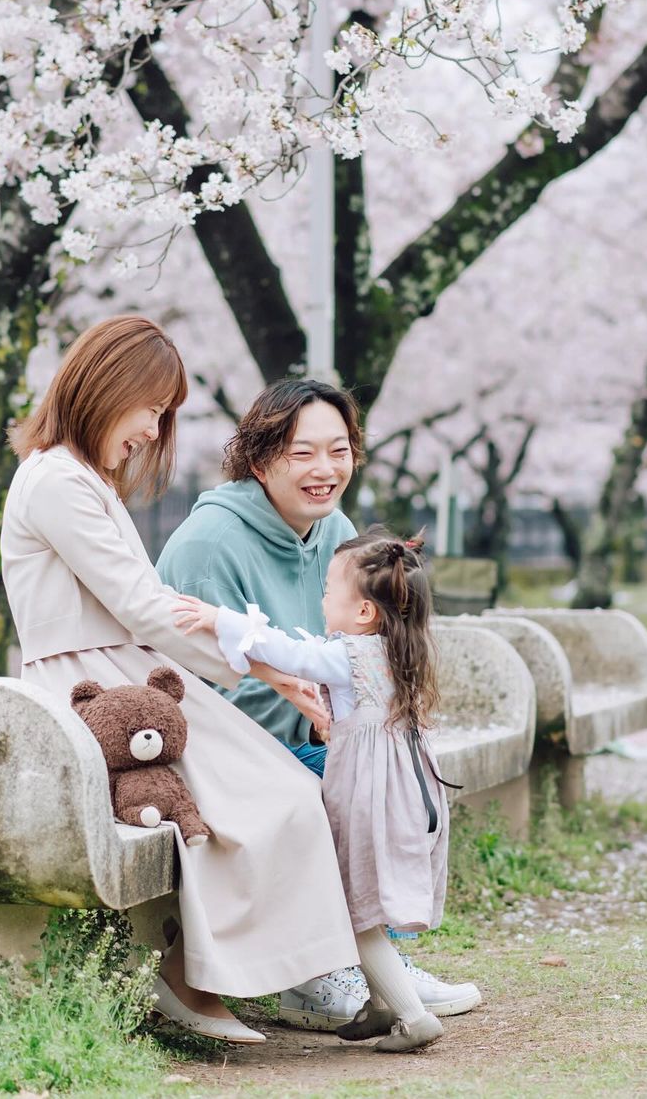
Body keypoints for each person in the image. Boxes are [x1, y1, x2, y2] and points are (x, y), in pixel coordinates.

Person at [0, 316, 360, 1046]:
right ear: (108, 389)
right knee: (271, 791)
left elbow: (141, 605)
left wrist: (264, 665)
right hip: (97, 689)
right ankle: (203, 971)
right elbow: (142, 603)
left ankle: (254, 969)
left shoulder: (75, 476)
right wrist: (265, 664)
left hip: (126, 676)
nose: (153, 428)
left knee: (283, 789)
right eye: (152, 407)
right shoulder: (55, 481)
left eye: (164, 413)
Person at [156, 380, 481, 1028]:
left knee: (390, 791)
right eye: (303, 453)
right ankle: (314, 971)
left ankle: (374, 957)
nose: (325, 469)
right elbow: (193, 680)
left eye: (339, 450)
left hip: (314, 734)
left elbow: (355, 642)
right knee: (323, 797)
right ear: (260, 458)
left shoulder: (335, 528)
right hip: (214, 743)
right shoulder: (209, 543)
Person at [175, 528, 454, 1052]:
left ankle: (414, 1017)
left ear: (365, 612)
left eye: (329, 589)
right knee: (366, 902)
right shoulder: (396, 654)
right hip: (406, 797)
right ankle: (380, 1005)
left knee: (356, 911)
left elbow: (287, 653)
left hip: (367, 800)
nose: (321, 597)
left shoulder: (350, 657)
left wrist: (221, 619)